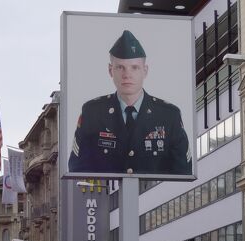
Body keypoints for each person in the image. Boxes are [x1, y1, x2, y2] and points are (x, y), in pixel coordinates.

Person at [68, 30, 190, 176]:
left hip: (156, 198)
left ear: (145, 71)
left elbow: (183, 172)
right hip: (107, 197)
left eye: (134, 67)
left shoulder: (169, 115)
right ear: (110, 70)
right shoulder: (92, 112)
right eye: (120, 67)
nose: (127, 75)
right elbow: (78, 171)